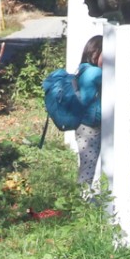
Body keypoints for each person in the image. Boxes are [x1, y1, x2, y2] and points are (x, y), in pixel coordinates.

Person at [42, 35, 104, 196]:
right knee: (88, 166)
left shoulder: (84, 68)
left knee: (88, 164)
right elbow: (129, 72)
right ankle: (81, 202)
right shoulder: (95, 73)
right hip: (88, 126)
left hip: (85, 125)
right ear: (96, 53)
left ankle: (84, 199)